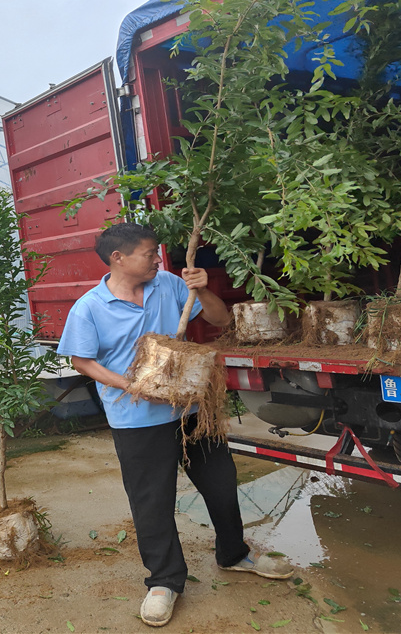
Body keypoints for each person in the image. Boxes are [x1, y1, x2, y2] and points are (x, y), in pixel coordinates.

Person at [57, 223, 293, 628]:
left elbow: (220, 321)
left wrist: (201, 289)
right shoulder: (90, 307)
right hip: (136, 420)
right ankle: (164, 582)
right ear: (119, 258)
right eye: (149, 253)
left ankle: (233, 554)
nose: (156, 259)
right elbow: (81, 360)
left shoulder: (167, 284)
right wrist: (129, 385)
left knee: (221, 482)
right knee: (153, 501)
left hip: (191, 412)